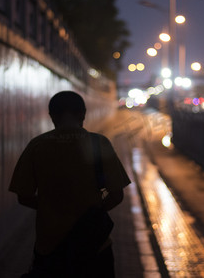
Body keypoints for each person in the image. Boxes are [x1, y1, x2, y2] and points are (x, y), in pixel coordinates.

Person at [9, 91, 130, 277]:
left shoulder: (37, 146)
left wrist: (51, 208)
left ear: (52, 116)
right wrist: (91, 214)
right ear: (83, 114)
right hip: (95, 246)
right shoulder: (99, 143)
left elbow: (23, 196)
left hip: (49, 248)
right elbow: (117, 195)